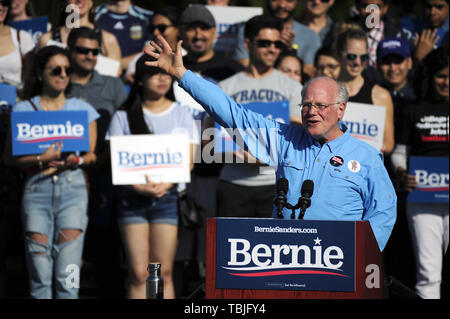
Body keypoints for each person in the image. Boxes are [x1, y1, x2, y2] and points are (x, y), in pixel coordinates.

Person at [144, 34, 397, 252]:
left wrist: (360, 255)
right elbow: (231, 112)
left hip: (338, 266)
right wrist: (182, 74)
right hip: (283, 260)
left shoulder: (366, 157)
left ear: (341, 109)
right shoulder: (285, 139)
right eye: (306, 105)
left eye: (320, 106)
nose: (311, 112)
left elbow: (383, 212)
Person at [4, 45, 99, 299]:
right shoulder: (23, 109)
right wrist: (40, 158)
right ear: (41, 73)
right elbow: (8, 158)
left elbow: (92, 155)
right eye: (56, 70)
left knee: (69, 275)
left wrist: (75, 161)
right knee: (39, 276)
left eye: (67, 70)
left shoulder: (82, 108)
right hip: (36, 190)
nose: (62, 75)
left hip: (73, 189)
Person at [106, 54, 198, 299]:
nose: (162, 79)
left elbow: (188, 161)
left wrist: (165, 184)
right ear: (138, 80)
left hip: (167, 199)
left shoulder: (181, 114)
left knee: (163, 271)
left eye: (165, 73)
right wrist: (139, 187)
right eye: (154, 73)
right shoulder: (122, 116)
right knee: (138, 273)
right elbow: (117, 161)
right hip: (131, 200)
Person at [171, 3, 243, 298]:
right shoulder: (169, 69)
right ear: (182, 33)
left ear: (215, 33)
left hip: (218, 170)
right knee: (178, 251)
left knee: (212, 249)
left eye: (204, 28)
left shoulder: (231, 71)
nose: (198, 34)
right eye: (191, 27)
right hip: (175, 171)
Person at [215, 14, 303, 220]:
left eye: (277, 44)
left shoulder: (292, 87)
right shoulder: (225, 87)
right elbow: (209, 139)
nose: (272, 49)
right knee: (229, 250)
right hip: (233, 185)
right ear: (247, 44)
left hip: (276, 184)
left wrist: (270, 154)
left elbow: (300, 135)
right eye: (264, 43)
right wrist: (238, 155)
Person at [66, 26, 128, 297]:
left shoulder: (113, 85)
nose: (89, 56)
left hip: (105, 173)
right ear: (70, 51)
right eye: (82, 50)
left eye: (94, 51)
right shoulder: (58, 80)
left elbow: (128, 124)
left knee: (106, 245)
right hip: (64, 173)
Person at [391, 47, 449, 299]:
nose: (446, 82)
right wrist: (401, 171)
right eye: (440, 76)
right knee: (428, 271)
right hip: (422, 198)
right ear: (430, 77)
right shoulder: (413, 109)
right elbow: (399, 151)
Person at [336, 27, 395, 155]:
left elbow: (389, 143)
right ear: (339, 56)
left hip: (364, 168)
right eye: (351, 56)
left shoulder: (380, 96)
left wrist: (374, 148)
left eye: (363, 57)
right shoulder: (325, 92)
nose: (357, 62)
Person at [233, 0, 321, 79]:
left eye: (289, 0)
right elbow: (244, 66)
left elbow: (309, 73)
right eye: (264, 43)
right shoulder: (250, 28)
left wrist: (289, 51)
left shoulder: (310, 36)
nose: (282, 5)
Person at [38, 0, 121, 64]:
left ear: (91, 2)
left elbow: (113, 78)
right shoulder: (46, 39)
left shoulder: (108, 40)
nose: (79, 0)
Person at [125, 6, 181, 84]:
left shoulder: (191, 57)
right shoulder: (139, 60)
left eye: (162, 28)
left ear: (178, 29)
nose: (155, 33)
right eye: (152, 29)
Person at [348, 0, 410, 69]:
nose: (371, 12)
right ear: (357, 6)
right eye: (366, 6)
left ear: (385, 8)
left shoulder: (398, 37)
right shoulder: (343, 33)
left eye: (376, 7)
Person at [95, 0, 153, 74]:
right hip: (100, 78)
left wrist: (113, 66)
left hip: (136, 79)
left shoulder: (150, 18)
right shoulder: (89, 15)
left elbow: (148, 54)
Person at [376, 37, 416, 138]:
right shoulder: (370, 95)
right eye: (386, 62)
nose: (393, 68)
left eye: (398, 61)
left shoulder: (420, 95)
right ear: (377, 64)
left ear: (410, 62)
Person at [0, 0, 34, 87]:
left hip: (14, 98)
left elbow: (30, 78)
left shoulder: (23, 38)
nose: (1, 7)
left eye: (5, 3)